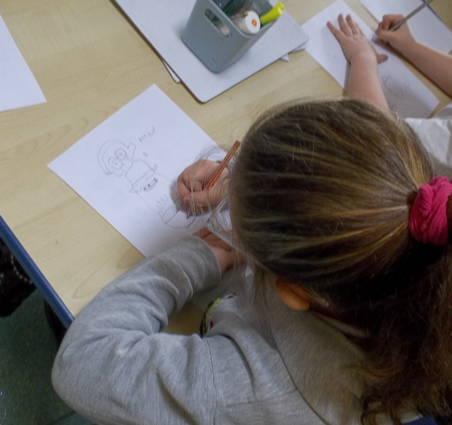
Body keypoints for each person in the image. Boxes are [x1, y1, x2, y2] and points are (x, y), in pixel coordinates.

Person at [51, 14, 452, 425]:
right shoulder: (420, 266)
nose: (226, 223)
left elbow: (84, 361)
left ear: (293, 291)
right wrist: (245, 180)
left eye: (233, 225)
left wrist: (198, 256)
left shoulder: (254, 390)